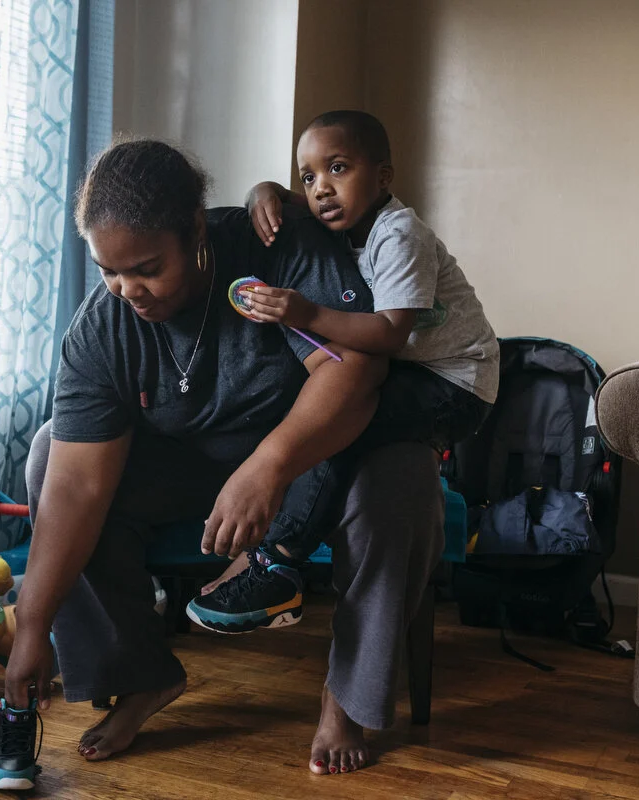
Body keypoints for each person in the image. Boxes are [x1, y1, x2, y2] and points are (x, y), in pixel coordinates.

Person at [0, 138, 443, 780]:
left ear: (196, 232)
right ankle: (141, 677)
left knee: (404, 471)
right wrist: (32, 625)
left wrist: (269, 466)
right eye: (108, 271)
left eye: (147, 267)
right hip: (193, 469)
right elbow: (75, 487)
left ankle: (347, 699)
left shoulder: (274, 247)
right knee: (47, 454)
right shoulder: (103, 326)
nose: (128, 290)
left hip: (315, 456)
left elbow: (355, 369)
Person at [187, 110, 499, 634]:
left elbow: (389, 333)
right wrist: (264, 190)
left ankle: (279, 564)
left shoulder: (399, 234)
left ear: (382, 176)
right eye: (309, 176)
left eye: (338, 168)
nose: (321, 189)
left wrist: (304, 313)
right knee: (319, 412)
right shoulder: (340, 221)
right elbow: (289, 201)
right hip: (417, 373)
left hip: (455, 382)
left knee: (341, 428)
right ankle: (267, 555)